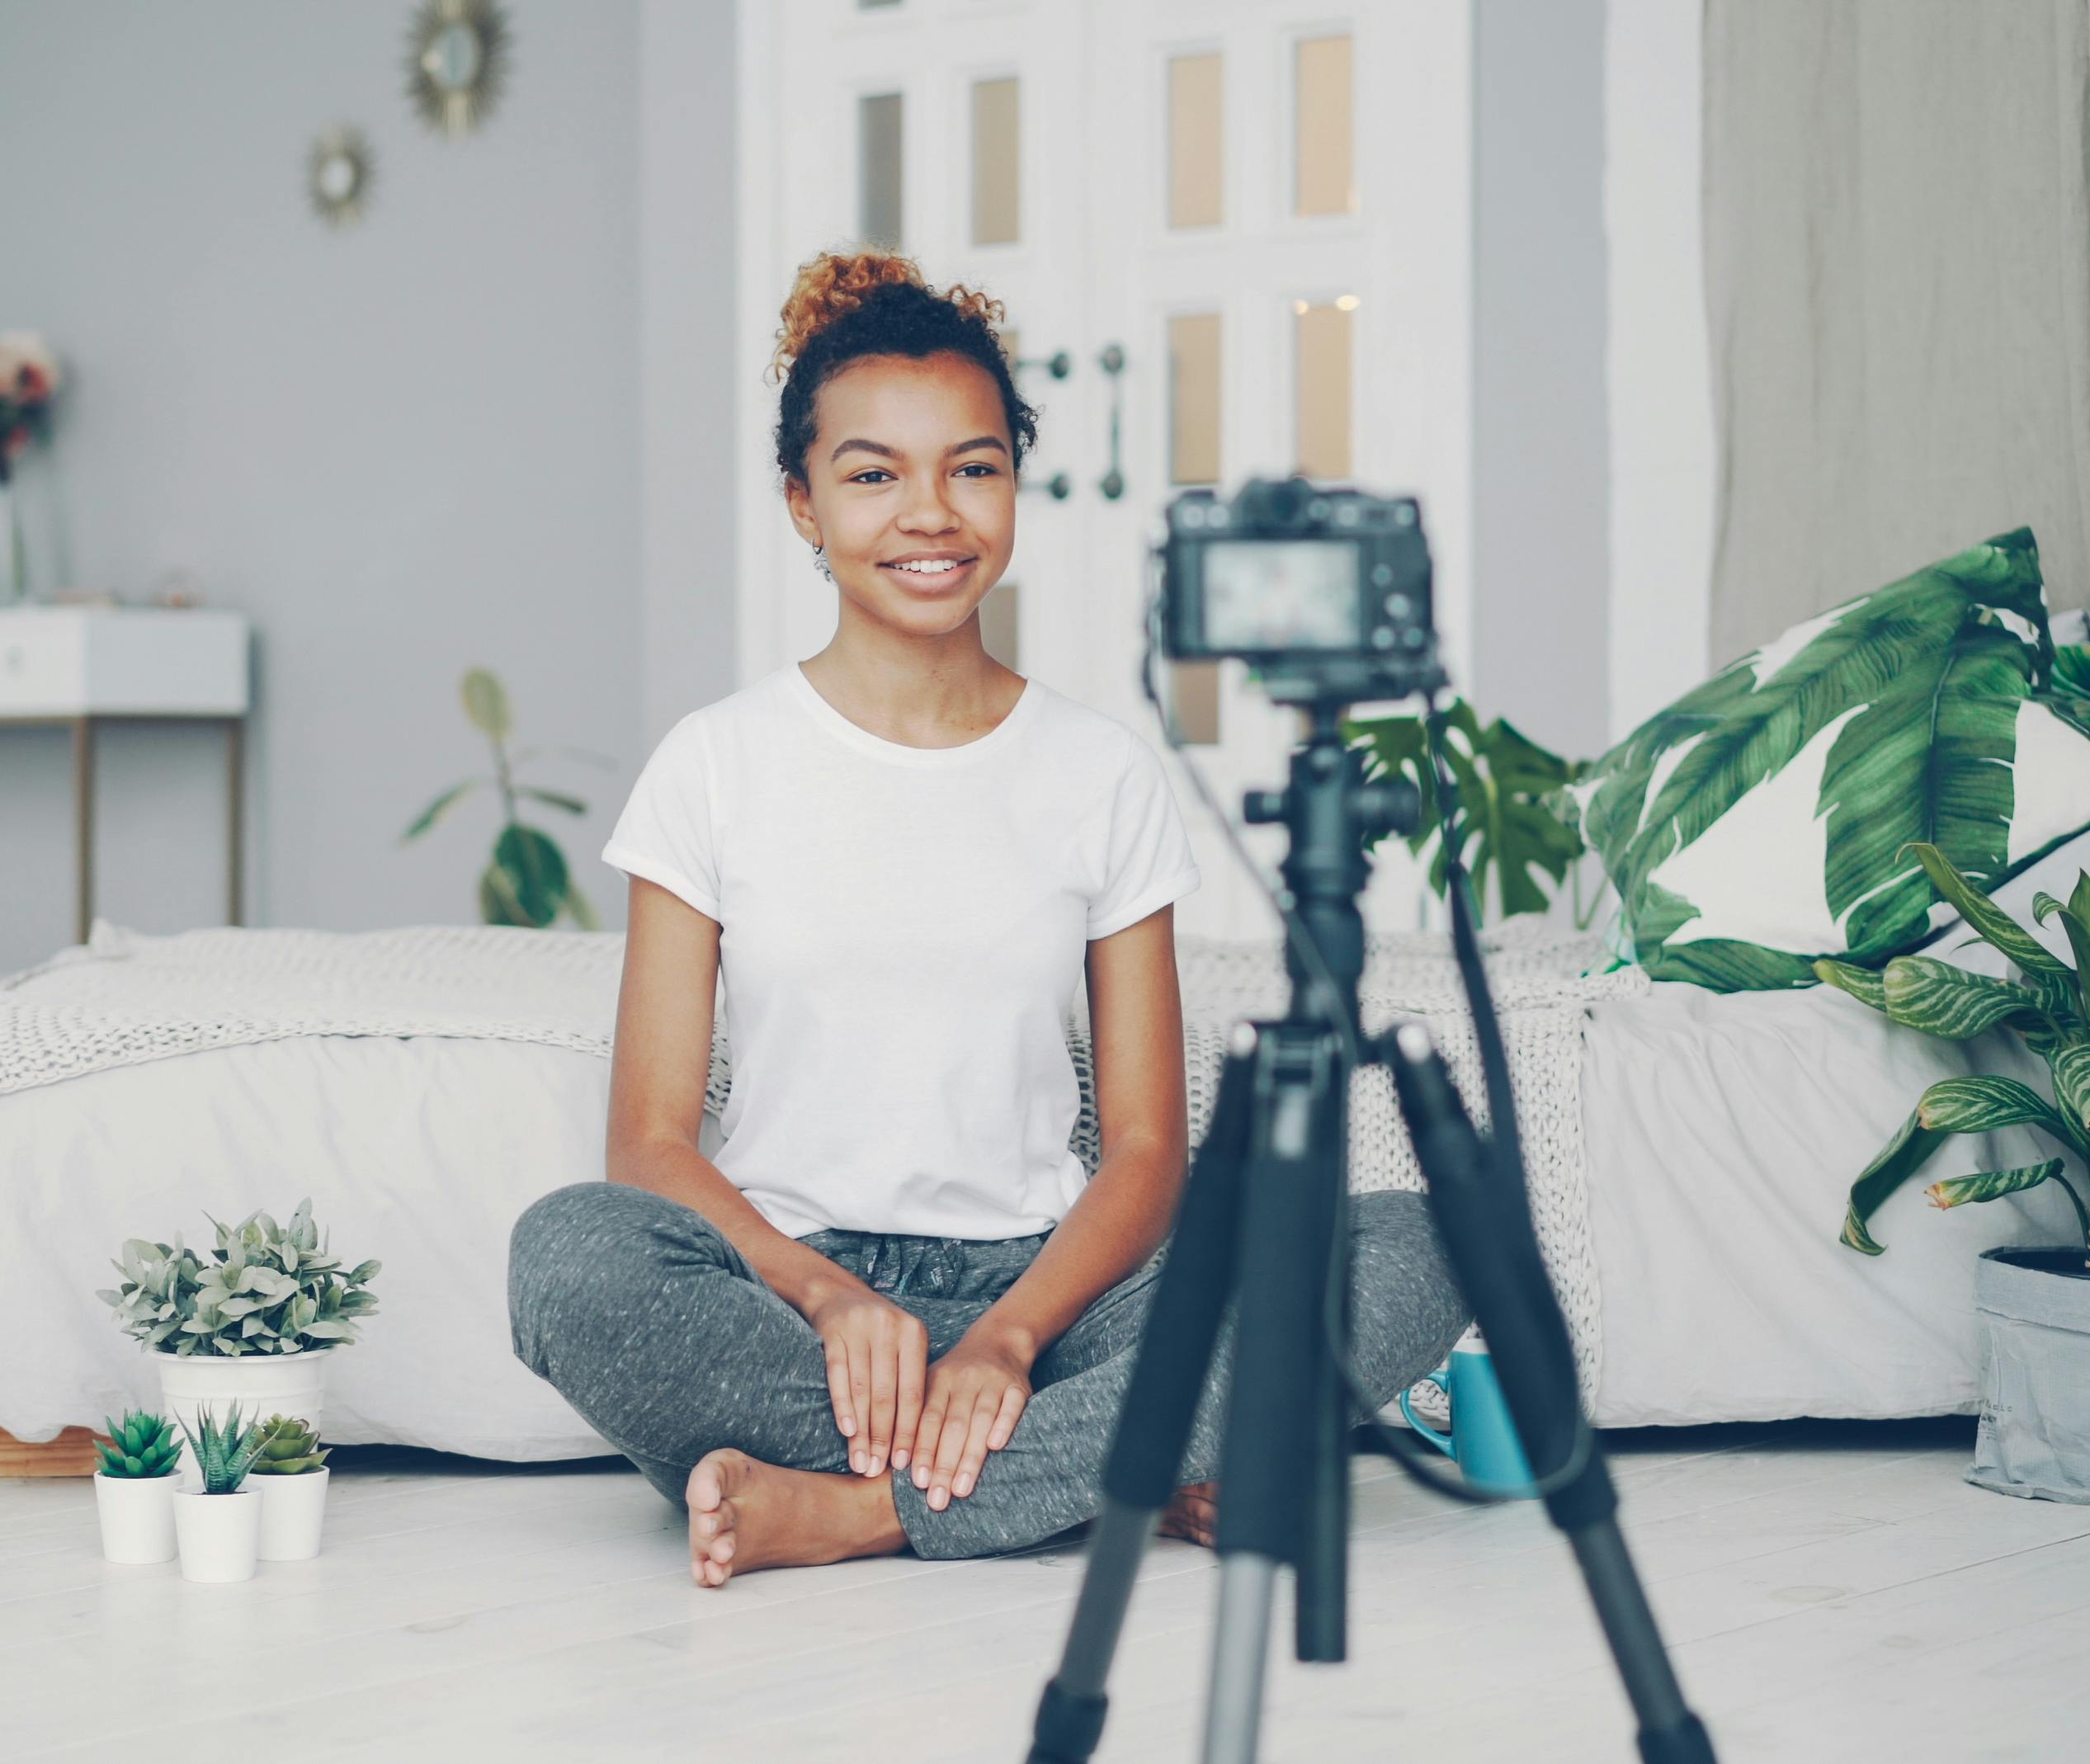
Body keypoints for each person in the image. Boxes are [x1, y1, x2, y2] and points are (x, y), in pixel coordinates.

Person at [507, 249, 1465, 1587]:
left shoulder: (1102, 771)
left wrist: (1011, 1337)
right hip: (805, 1301)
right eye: (871, 472)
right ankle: (1100, 1469)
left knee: (1422, 1246)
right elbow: (651, 1142)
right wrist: (831, 1295)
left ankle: (856, 1510)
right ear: (802, 502)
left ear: (1016, 482)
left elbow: (1141, 1148)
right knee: (564, 1256)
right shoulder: (712, 765)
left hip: (1057, 1297)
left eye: (972, 465)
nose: (930, 514)